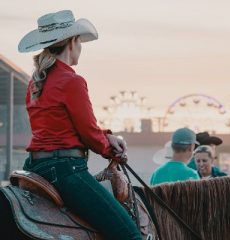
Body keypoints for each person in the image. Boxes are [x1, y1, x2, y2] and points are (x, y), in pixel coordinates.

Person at [18, 10, 141, 239]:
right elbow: (88, 134)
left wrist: (106, 135)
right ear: (72, 42)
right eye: (80, 41)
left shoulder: (37, 81)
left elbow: (60, 124)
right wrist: (110, 149)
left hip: (35, 167)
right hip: (66, 170)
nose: (81, 47)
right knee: (130, 234)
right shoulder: (72, 81)